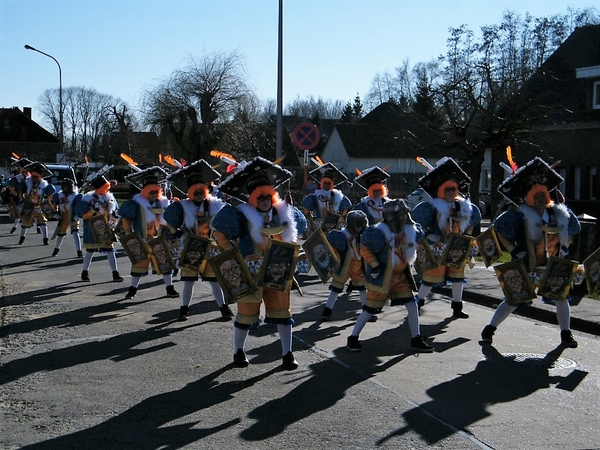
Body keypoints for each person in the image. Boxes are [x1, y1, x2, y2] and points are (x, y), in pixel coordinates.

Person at [211, 156, 307, 370]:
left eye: (267, 196)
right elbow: (218, 230)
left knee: (283, 314)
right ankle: (239, 352)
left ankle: (287, 354)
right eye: (260, 197)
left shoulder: (285, 214)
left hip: (278, 272)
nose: (264, 200)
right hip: (250, 273)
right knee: (245, 315)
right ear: (253, 198)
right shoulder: (240, 216)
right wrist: (231, 254)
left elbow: (302, 227)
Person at [482, 157, 581, 348]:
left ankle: (566, 334)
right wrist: (515, 250)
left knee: (561, 298)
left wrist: (565, 246)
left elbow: (572, 230)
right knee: (514, 299)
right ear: (530, 199)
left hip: (554, 264)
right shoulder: (520, 216)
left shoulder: (558, 214)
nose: (541, 200)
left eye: (544, 196)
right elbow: (499, 230)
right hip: (528, 264)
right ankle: (490, 329)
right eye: (537, 197)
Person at [346, 199, 432, 352]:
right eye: (400, 215)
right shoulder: (377, 232)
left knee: (412, 306)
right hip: (382, 277)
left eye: (405, 215)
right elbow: (364, 249)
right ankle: (353, 338)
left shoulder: (410, 230)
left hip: (400, 277)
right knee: (369, 309)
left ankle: (416, 339)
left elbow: (417, 241)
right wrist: (375, 265)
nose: (403, 218)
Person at [411, 157, 481, 319]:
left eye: (452, 189)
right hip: (438, 247)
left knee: (457, 278)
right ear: (442, 191)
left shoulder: (463, 206)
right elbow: (419, 225)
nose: (450, 192)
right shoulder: (432, 208)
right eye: (447, 189)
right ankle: (418, 302)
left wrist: (468, 238)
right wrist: (431, 236)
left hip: (457, 247)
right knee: (431, 278)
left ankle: (457, 307)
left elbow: (471, 222)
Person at [164, 160, 233, 320]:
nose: (199, 195)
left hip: (211, 247)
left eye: (201, 191)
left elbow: (226, 220)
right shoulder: (182, 206)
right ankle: (184, 309)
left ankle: (223, 308)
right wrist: (178, 234)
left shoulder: (216, 205)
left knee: (214, 281)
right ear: (190, 192)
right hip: (191, 246)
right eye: (196, 192)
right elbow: (168, 221)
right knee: (189, 281)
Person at [118, 166, 179, 299]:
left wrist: (174, 232)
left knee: (165, 264)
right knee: (138, 265)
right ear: (145, 191)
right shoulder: (136, 203)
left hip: (160, 240)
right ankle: (132, 289)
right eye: (151, 192)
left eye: (155, 191)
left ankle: (170, 288)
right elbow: (126, 219)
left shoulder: (163, 203)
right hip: (142, 240)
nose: (153, 194)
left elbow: (167, 221)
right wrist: (129, 235)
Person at [75, 167, 123, 282]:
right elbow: (82, 214)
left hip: (106, 228)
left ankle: (115, 273)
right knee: (90, 251)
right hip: (92, 228)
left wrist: (115, 216)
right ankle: (84, 272)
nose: (106, 189)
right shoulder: (88, 198)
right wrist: (92, 209)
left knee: (110, 251)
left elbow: (115, 211)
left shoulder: (109, 197)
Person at [320, 210, 368, 321]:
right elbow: (332, 250)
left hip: (358, 265)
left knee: (362, 288)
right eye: (358, 226)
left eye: (361, 226)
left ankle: (366, 312)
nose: (360, 229)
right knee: (335, 289)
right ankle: (327, 310)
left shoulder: (362, 236)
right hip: (344, 266)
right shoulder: (340, 236)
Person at [302, 162, 351, 233]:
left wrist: (340, 219)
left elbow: (346, 207)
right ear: (322, 183)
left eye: (328, 183)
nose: (327, 185)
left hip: (335, 225)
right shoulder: (315, 195)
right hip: (319, 224)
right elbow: (306, 210)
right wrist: (312, 223)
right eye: (325, 183)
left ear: (332, 184)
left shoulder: (338, 195)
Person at [16, 162, 56, 246]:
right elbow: (20, 191)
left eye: (36, 177)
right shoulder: (27, 183)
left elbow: (51, 193)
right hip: (28, 205)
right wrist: (22, 198)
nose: (34, 178)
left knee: (43, 222)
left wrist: (47, 201)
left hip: (38, 206)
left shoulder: (44, 185)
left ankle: (45, 238)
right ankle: (21, 238)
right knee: (25, 222)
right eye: (33, 176)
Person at [51, 178, 83, 258]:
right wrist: (55, 212)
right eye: (64, 186)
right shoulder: (59, 195)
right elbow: (55, 204)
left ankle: (79, 251)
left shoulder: (76, 196)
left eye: (67, 186)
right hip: (64, 215)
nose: (65, 188)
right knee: (61, 234)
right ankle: (56, 249)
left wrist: (77, 215)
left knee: (76, 233)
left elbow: (79, 206)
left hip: (73, 215)